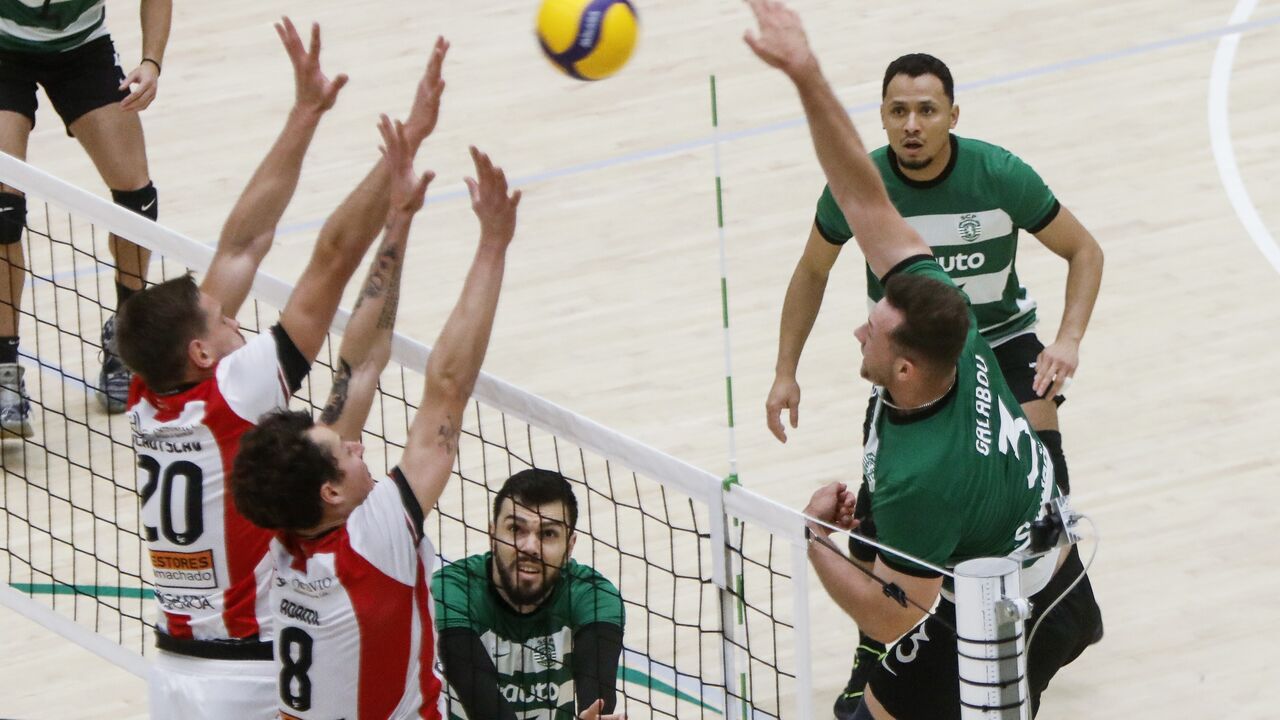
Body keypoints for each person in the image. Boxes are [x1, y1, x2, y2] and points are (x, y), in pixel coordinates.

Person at [742, 2, 1103, 718]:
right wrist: (806, 73)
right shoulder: (954, 324)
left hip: (1006, 619)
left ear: (905, 367)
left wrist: (815, 540)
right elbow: (860, 196)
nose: (859, 332)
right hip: (1046, 570)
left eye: (872, 330)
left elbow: (897, 616)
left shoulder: (917, 478)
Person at [115, 20, 448, 718]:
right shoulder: (233, 398)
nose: (235, 317)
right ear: (204, 356)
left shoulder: (149, 395)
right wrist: (399, 160)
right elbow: (328, 260)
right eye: (225, 323)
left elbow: (241, 246)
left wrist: (305, 112)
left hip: (174, 671)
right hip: (244, 680)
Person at [229, 135, 522, 719]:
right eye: (345, 453)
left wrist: (399, 219)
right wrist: (493, 243)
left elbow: (359, 364)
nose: (357, 443)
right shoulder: (374, 540)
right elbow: (447, 388)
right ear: (331, 493)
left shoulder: (284, 538)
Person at [0, 0, 173, 433]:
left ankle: (127, 341)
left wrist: (151, 62)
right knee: (2, 214)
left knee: (138, 203)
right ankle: (3, 372)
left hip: (83, 49)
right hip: (3, 50)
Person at [433, 468, 626, 720]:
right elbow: (481, 700)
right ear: (493, 535)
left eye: (548, 533)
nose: (529, 547)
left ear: (569, 546)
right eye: (516, 529)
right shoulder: (450, 590)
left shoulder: (594, 597)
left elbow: (597, 700)